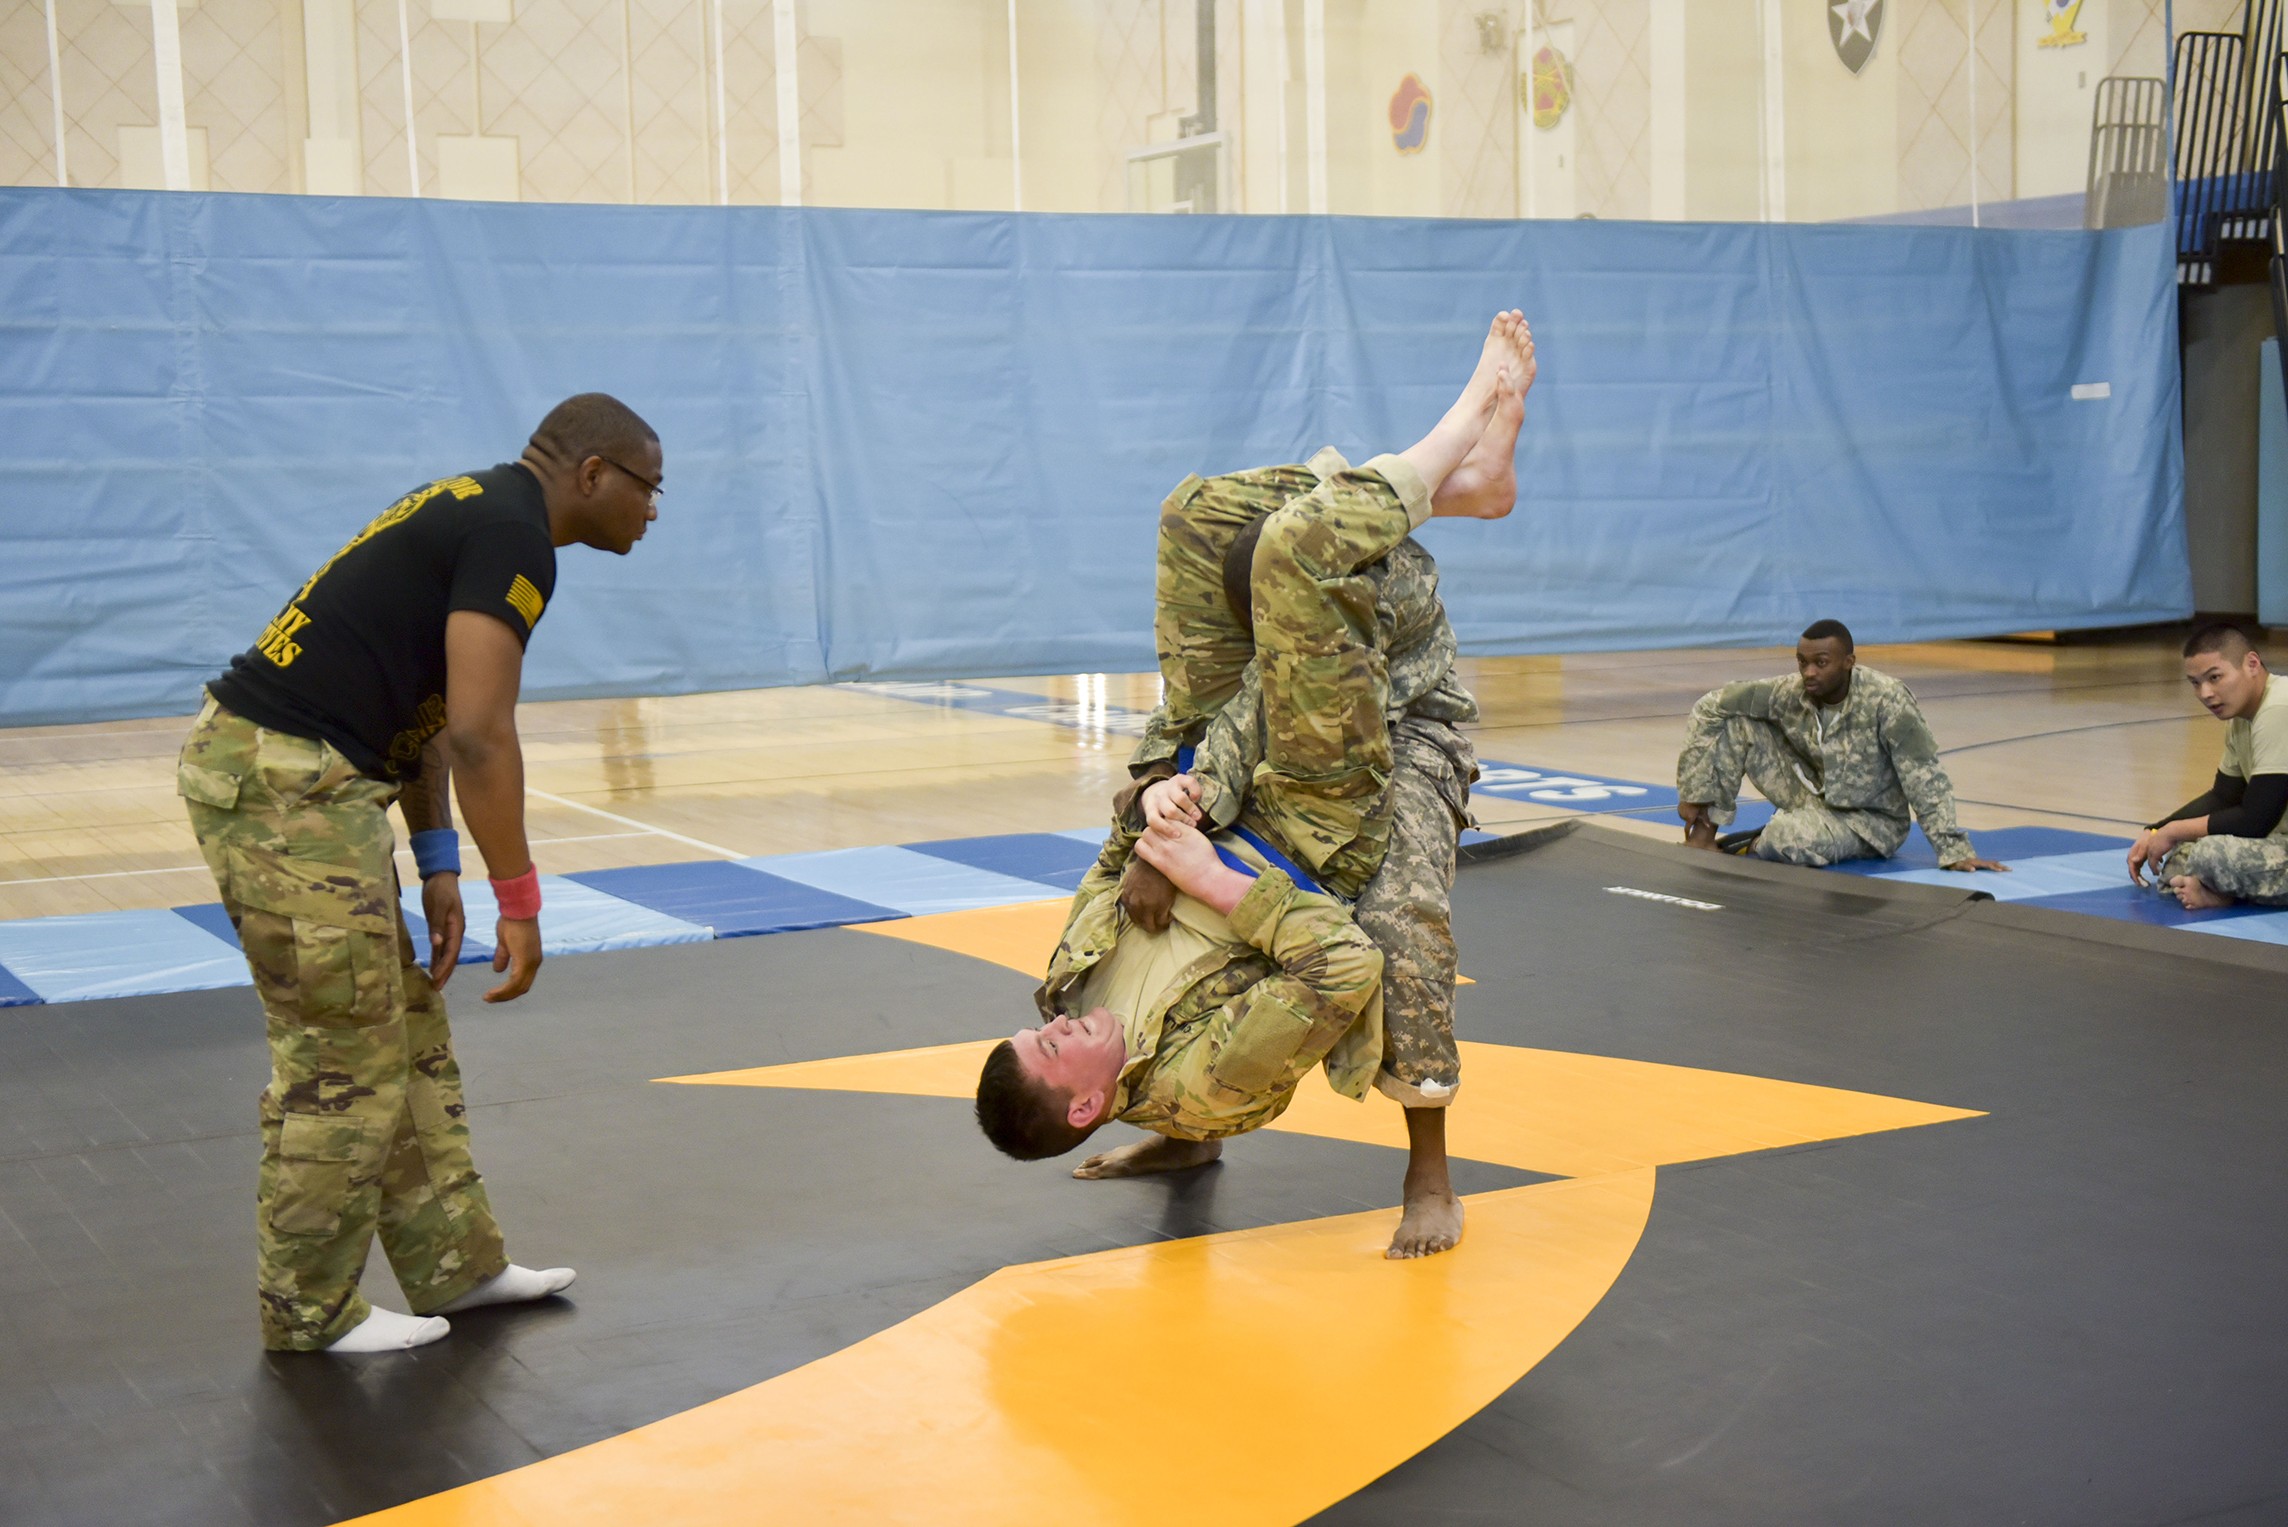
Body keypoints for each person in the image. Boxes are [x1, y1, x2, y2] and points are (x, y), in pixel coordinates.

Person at [974, 315, 1528, 1261]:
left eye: (1043, 1031)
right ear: (1084, 1100)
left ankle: (1458, 491)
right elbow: (1342, 967)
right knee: (1292, 560)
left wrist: (1153, 807)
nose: (1056, 1022)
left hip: (1218, 785)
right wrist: (1204, 877)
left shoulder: (1070, 984)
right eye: (1057, 1047)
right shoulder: (1202, 1075)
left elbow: (1119, 858)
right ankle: (1464, 444)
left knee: (1195, 519)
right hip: (1309, 822)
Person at [175, 394, 661, 1353]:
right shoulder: (511, 535)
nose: (653, 511)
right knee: (342, 1053)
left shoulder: (485, 511)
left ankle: (456, 1267)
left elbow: (430, 713)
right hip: (282, 785)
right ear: (594, 474)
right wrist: (518, 902)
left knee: (404, 1025)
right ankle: (307, 1308)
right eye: (649, 488)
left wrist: (439, 863)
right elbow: (482, 734)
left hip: (313, 781)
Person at [1674, 619, 2005, 872]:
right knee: (1735, 722)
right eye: (1802, 662)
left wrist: (1954, 850)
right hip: (1817, 799)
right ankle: (1703, 839)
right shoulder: (1790, 691)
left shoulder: (1887, 699)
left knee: (1786, 838)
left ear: (1849, 662)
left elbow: (1924, 772)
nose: (1809, 672)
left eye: (1821, 662)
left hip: (1871, 823)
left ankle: (1755, 844)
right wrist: (1694, 791)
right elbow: (1710, 706)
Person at [2130, 623, 2288, 909]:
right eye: (2195, 682)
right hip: (2277, 841)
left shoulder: (2280, 708)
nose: (2205, 693)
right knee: (2179, 860)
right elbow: (2223, 797)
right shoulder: (2241, 719)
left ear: (2252, 664)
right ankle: (2225, 890)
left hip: (2272, 835)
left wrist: (2174, 831)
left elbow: (2256, 819)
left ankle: (2222, 894)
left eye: (2215, 677)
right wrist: (2155, 831)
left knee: (2209, 855)